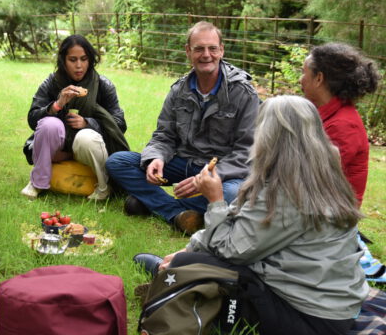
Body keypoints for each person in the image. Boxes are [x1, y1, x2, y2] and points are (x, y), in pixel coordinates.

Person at [134, 96, 368, 335]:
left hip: (309, 317)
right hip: (336, 304)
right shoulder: (319, 174)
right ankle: (175, 272)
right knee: (191, 258)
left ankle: (175, 278)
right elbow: (243, 223)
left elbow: (231, 250)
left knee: (194, 264)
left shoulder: (288, 191)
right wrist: (191, 248)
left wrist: (215, 200)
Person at [106, 21, 259, 234]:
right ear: (188, 51)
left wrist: (205, 177)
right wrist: (155, 158)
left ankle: (153, 204)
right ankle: (177, 213)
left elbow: (246, 152)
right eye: (199, 49)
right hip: (182, 162)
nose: (206, 55)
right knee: (118, 162)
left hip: (220, 171)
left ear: (221, 50)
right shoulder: (179, 90)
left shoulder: (243, 93)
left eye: (212, 48)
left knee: (234, 194)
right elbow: (164, 134)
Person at [21, 34, 129, 200]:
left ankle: (103, 187)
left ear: (90, 60)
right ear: (63, 60)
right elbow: (33, 119)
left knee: (86, 136)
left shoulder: (102, 85)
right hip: (59, 144)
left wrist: (89, 123)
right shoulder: (52, 83)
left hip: (87, 148)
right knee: (49, 124)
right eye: (73, 60)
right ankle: (38, 183)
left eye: (84, 59)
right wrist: (57, 104)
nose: (79, 66)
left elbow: (120, 124)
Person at [300, 42, 380, 206]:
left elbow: (311, 178)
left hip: (332, 218)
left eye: (303, 73)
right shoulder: (322, 113)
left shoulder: (342, 125)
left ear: (319, 78)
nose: (300, 80)